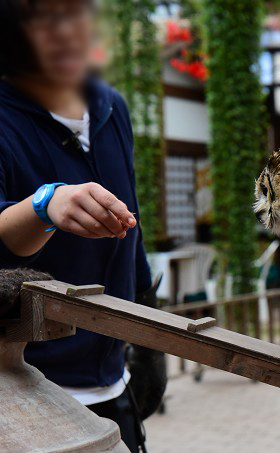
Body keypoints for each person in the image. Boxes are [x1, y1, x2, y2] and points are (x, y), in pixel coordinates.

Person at [0, 1, 166, 451]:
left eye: (77, 13)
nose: (69, 32)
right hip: (24, 391)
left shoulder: (111, 106)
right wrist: (44, 205)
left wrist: (149, 342)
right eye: (45, 19)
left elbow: (134, 237)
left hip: (114, 380)